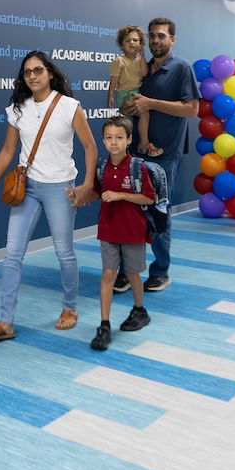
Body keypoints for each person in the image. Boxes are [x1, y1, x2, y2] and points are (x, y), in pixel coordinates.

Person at [0, 51, 98, 342]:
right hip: (27, 187)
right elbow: (8, 151)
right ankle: (6, 321)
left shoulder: (70, 107)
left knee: (64, 252)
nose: (32, 75)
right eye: (27, 71)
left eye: (38, 70)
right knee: (12, 254)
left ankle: (70, 308)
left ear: (50, 73)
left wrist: (86, 185)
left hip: (60, 187)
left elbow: (90, 146)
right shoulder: (18, 109)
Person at [117, 17, 199, 293]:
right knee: (129, 211)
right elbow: (133, 106)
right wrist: (130, 108)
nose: (155, 41)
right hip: (135, 151)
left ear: (172, 40)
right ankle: (128, 270)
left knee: (158, 211)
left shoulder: (181, 68)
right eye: (151, 36)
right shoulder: (141, 68)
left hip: (165, 154)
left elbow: (191, 109)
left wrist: (151, 103)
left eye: (162, 36)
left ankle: (160, 271)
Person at [88, 117, 155, 351]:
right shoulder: (101, 166)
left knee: (133, 273)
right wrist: (77, 196)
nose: (113, 142)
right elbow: (96, 192)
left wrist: (120, 195)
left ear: (129, 139)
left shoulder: (138, 167)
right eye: (108, 137)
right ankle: (104, 324)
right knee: (108, 274)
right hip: (108, 228)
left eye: (119, 137)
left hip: (133, 229)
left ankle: (140, 310)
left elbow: (148, 197)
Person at [106, 25, 160, 157]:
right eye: (127, 40)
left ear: (141, 43)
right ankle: (144, 144)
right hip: (125, 94)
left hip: (137, 92)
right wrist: (111, 96)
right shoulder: (119, 61)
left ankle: (136, 146)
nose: (131, 43)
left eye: (135, 40)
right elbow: (114, 80)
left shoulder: (140, 60)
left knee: (138, 118)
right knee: (143, 113)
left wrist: (142, 56)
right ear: (121, 45)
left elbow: (144, 73)